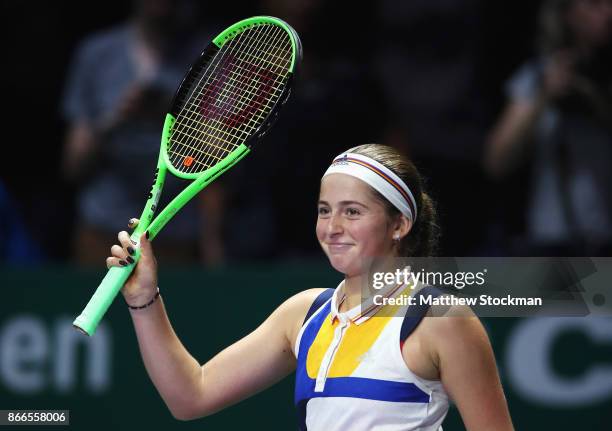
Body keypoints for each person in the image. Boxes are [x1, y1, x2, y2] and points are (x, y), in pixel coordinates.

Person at [107, 144, 514, 430]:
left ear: (399, 225)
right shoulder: (304, 314)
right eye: (325, 211)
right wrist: (144, 298)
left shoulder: (441, 320)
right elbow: (190, 397)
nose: (333, 228)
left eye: (352, 212)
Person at [61, 0, 220, 265]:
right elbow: (72, 165)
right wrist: (115, 120)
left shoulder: (206, 56)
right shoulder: (96, 54)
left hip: (176, 234)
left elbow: (220, 156)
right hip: (101, 231)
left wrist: (168, 118)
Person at [484, 0, 612, 256]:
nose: (608, 13)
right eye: (594, 5)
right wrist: (545, 96)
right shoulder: (539, 75)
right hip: (553, 245)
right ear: (567, 14)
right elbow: (496, 161)